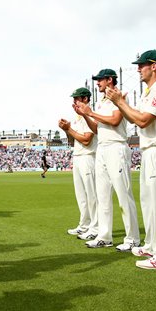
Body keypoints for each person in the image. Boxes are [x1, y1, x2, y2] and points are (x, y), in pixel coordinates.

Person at [106, 50, 156, 269]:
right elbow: (136, 118)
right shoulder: (150, 91)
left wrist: (120, 102)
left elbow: (143, 120)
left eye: (142, 65)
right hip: (151, 150)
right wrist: (121, 103)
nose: (138, 68)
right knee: (149, 203)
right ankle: (152, 245)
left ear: (154, 66)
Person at [75, 69, 140, 251]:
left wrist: (91, 113)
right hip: (102, 147)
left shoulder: (119, 97)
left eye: (100, 80)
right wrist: (86, 114)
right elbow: (97, 129)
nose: (98, 84)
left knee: (123, 194)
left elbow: (115, 120)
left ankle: (132, 238)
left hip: (116, 147)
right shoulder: (103, 102)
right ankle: (104, 235)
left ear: (110, 80)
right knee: (102, 195)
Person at [58, 87, 97, 239]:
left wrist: (70, 129)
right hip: (78, 156)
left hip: (89, 157)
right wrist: (66, 130)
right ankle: (84, 225)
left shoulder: (90, 116)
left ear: (86, 99)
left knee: (92, 195)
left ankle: (95, 227)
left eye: (77, 99)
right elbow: (73, 141)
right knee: (81, 195)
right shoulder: (76, 118)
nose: (74, 102)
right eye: (73, 99)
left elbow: (87, 140)